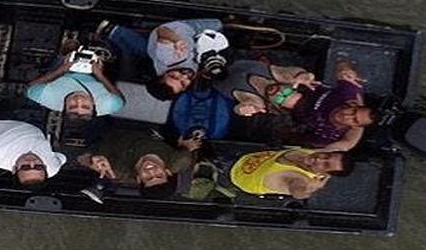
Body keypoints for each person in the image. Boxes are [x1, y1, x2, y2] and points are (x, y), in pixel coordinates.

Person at [238, 58, 375, 152]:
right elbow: (343, 64)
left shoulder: (328, 135)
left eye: (354, 120)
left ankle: (245, 96)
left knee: (284, 102)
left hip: (283, 110)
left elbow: (297, 141)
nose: (347, 116)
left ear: (355, 126)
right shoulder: (347, 95)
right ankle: (263, 68)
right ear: (353, 105)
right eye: (352, 111)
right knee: (300, 77)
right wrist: (345, 69)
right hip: (299, 85)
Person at [99, 17, 228, 101]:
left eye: (174, 76)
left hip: (179, 30)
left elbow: (163, 31)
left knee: (219, 24)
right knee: (145, 50)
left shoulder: (167, 57)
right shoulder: (187, 77)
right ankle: (113, 32)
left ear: (161, 75)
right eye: (183, 83)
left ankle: (114, 31)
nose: (184, 76)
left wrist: (176, 40)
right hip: (155, 50)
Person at [77, 127, 201, 197]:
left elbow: (80, 159)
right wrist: (185, 146)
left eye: (148, 178)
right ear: (168, 172)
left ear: (138, 179)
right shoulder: (179, 160)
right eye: (158, 175)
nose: (151, 170)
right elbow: (186, 150)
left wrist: (90, 160)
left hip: (111, 129)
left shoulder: (117, 171)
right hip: (150, 129)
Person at [25, 46, 124, 118]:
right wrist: (100, 74)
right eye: (85, 106)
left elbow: (30, 87)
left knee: (61, 58)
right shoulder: (110, 104)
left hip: (63, 73)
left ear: (64, 107)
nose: (79, 100)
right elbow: (118, 96)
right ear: (94, 106)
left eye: (72, 106)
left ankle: (67, 48)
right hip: (95, 77)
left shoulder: (47, 97)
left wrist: (62, 69)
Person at [227, 147, 351, 200]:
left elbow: (298, 193)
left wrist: (310, 190)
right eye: (327, 156)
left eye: (326, 165)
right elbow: (346, 144)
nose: (319, 159)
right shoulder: (313, 154)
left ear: (326, 172)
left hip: (233, 175)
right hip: (246, 157)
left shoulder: (301, 180)